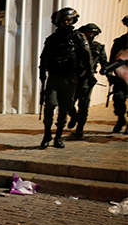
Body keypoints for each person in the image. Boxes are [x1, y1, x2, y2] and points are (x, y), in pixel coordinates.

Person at [38, 8, 93, 149]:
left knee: (64, 108)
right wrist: (42, 73)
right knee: (49, 105)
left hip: (70, 78)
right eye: (63, 21)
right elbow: (44, 58)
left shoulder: (78, 38)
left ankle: (58, 137)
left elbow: (87, 58)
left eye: (69, 20)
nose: (66, 23)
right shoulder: (52, 39)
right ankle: (47, 135)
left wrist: (90, 75)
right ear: (58, 22)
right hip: (54, 78)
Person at [66, 23, 108, 139]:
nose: (90, 35)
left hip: (87, 79)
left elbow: (104, 63)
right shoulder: (75, 46)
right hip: (73, 78)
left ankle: (80, 129)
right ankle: (74, 116)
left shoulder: (98, 47)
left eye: (93, 33)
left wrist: (109, 73)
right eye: (88, 32)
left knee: (84, 105)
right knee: (68, 102)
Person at [108, 15, 128, 134]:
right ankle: (121, 119)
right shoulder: (120, 41)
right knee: (118, 98)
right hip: (121, 77)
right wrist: (110, 75)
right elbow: (112, 60)